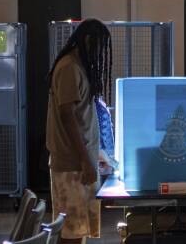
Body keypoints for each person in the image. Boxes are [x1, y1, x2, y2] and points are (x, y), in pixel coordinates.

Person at [46, 19, 113, 244]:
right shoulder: (68, 67)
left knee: (79, 231)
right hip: (72, 165)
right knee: (70, 233)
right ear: (87, 41)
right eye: (99, 47)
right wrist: (85, 160)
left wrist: (95, 156)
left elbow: (82, 116)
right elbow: (68, 116)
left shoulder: (78, 65)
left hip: (81, 162)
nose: (101, 53)